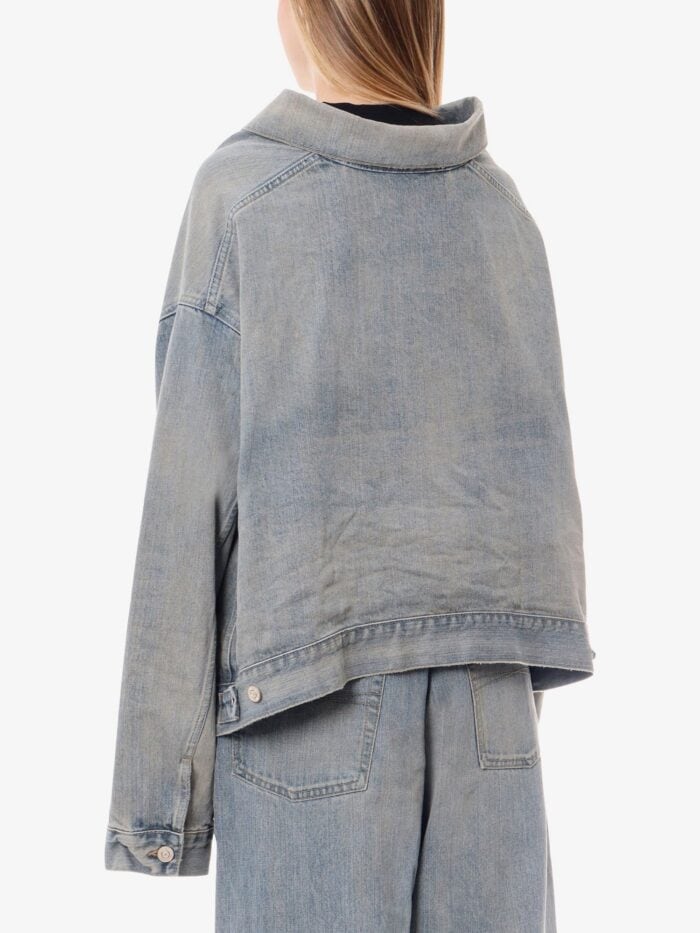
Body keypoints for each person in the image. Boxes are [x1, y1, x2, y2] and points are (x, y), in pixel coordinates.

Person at [105, 1, 596, 930]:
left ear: (308, 14)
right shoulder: (502, 211)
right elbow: (541, 495)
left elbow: (186, 503)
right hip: (491, 716)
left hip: (311, 712)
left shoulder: (244, 198)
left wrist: (158, 809)